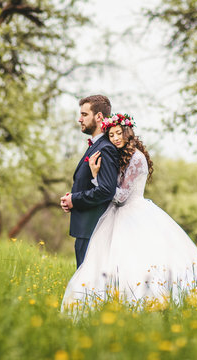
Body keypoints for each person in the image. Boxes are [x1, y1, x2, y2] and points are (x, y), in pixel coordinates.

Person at [61, 113, 197, 312]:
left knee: (138, 259)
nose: (115, 138)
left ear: (128, 133)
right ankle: (111, 303)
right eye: (112, 134)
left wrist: (97, 176)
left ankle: (146, 303)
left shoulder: (137, 158)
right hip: (116, 214)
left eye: (118, 133)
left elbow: (121, 196)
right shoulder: (121, 154)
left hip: (132, 212)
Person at [60, 95, 120, 268]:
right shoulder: (97, 145)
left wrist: (75, 199)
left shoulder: (106, 148)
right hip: (87, 229)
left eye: (84, 114)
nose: (80, 119)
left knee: (90, 288)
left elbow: (107, 190)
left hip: (92, 229)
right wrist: (72, 199)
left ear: (99, 116)